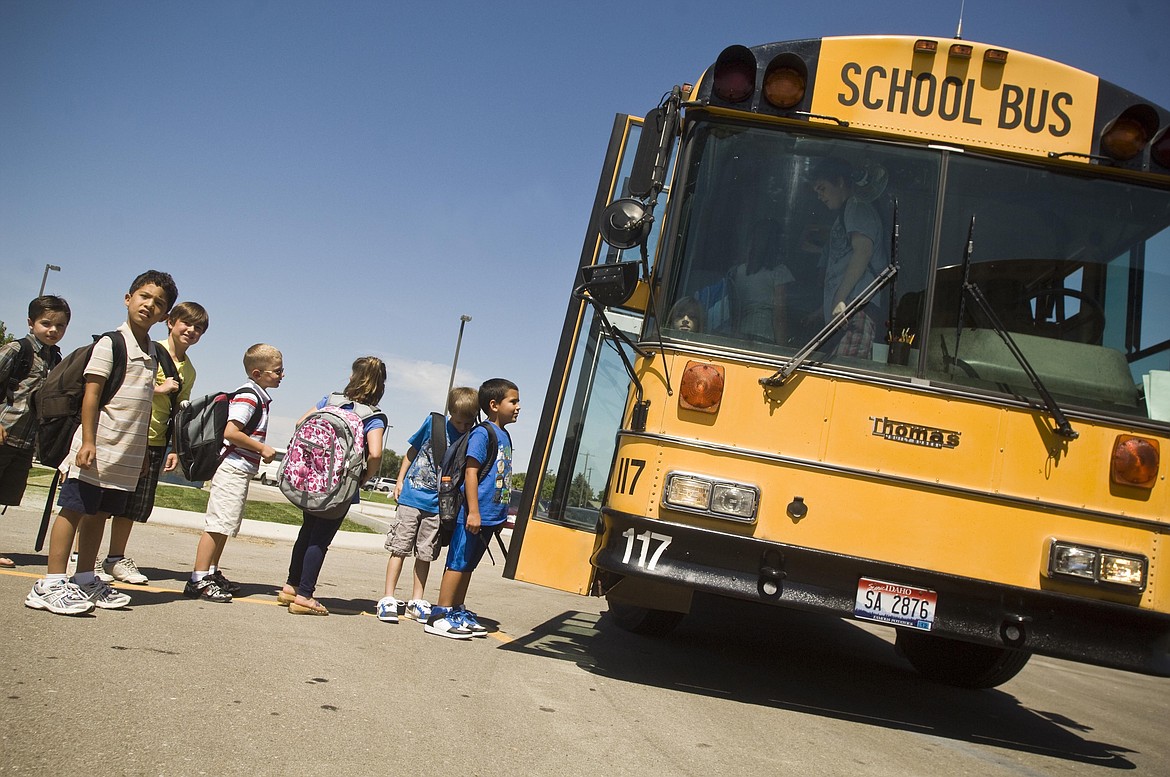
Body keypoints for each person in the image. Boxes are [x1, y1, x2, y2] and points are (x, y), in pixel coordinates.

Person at [25, 271, 178, 615]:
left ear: (164, 316)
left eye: (158, 303)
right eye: (144, 296)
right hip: (97, 446)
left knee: (100, 513)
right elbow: (92, 395)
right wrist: (88, 441)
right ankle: (49, 583)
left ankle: (84, 578)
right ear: (128, 299)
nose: (149, 305)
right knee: (75, 508)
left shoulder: (152, 352)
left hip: (125, 454)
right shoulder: (112, 343)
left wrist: (139, 453)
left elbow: (140, 408)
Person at [96, 301, 208, 585]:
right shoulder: (149, 350)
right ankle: (83, 558)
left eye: (199, 328)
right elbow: (125, 385)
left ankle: (115, 559)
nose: (192, 331)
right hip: (127, 435)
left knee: (133, 506)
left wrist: (174, 449)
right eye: (187, 323)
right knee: (102, 501)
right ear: (170, 322)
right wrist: (159, 388)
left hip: (156, 442)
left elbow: (178, 412)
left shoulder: (190, 370)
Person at [279, 356, 388, 616]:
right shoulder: (373, 416)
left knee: (306, 532)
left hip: (312, 479)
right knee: (321, 539)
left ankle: (290, 586)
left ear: (352, 377)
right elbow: (375, 453)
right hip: (340, 486)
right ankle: (305, 595)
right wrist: (365, 477)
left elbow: (299, 423)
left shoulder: (330, 401)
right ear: (380, 385)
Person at [183, 343, 283, 603]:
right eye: (277, 371)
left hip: (239, 468)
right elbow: (231, 431)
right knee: (217, 525)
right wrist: (262, 448)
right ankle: (198, 578)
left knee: (225, 524)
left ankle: (212, 572)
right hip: (232, 467)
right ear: (258, 373)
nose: (281, 375)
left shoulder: (258, 395)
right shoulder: (250, 395)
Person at [424, 378, 520, 639]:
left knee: (468, 565)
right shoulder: (483, 433)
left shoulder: (504, 435)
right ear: (493, 405)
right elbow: (470, 473)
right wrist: (474, 512)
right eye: (513, 401)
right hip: (471, 515)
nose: (518, 407)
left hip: (490, 516)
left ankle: (456, 609)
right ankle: (439, 614)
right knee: (457, 562)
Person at [376, 385, 478, 624]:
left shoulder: (469, 436)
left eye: (468, 423)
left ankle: (417, 599)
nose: (463, 427)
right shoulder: (434, 425)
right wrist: (400, 480)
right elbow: (412, 451)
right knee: (399, 548)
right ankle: (388, 596)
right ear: (451, 412)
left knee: (426, 553)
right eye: (460, 422)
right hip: (412, 496)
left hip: (436, 505)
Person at [0, 295, 71, 568]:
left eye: (60, 326)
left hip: (24, 441)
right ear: (31, 323)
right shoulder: (16, 350)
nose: (53, 330)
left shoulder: (55, 358)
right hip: (5, 431)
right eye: (46, 323)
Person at [809, 157, 889, 357]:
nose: (819, 196)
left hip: (856, 310)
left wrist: (840, 299)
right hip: (847, 312)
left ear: (840, 182)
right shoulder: (845, 214)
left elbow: (862, 253)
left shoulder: (856, 206)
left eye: (822, 188)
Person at [729, 218, 795, 343]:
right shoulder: (779, 272)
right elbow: (779, 315)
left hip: (739, 334)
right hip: (764, 335)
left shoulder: (738, 271)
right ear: (775, 243)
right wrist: (782, 348)